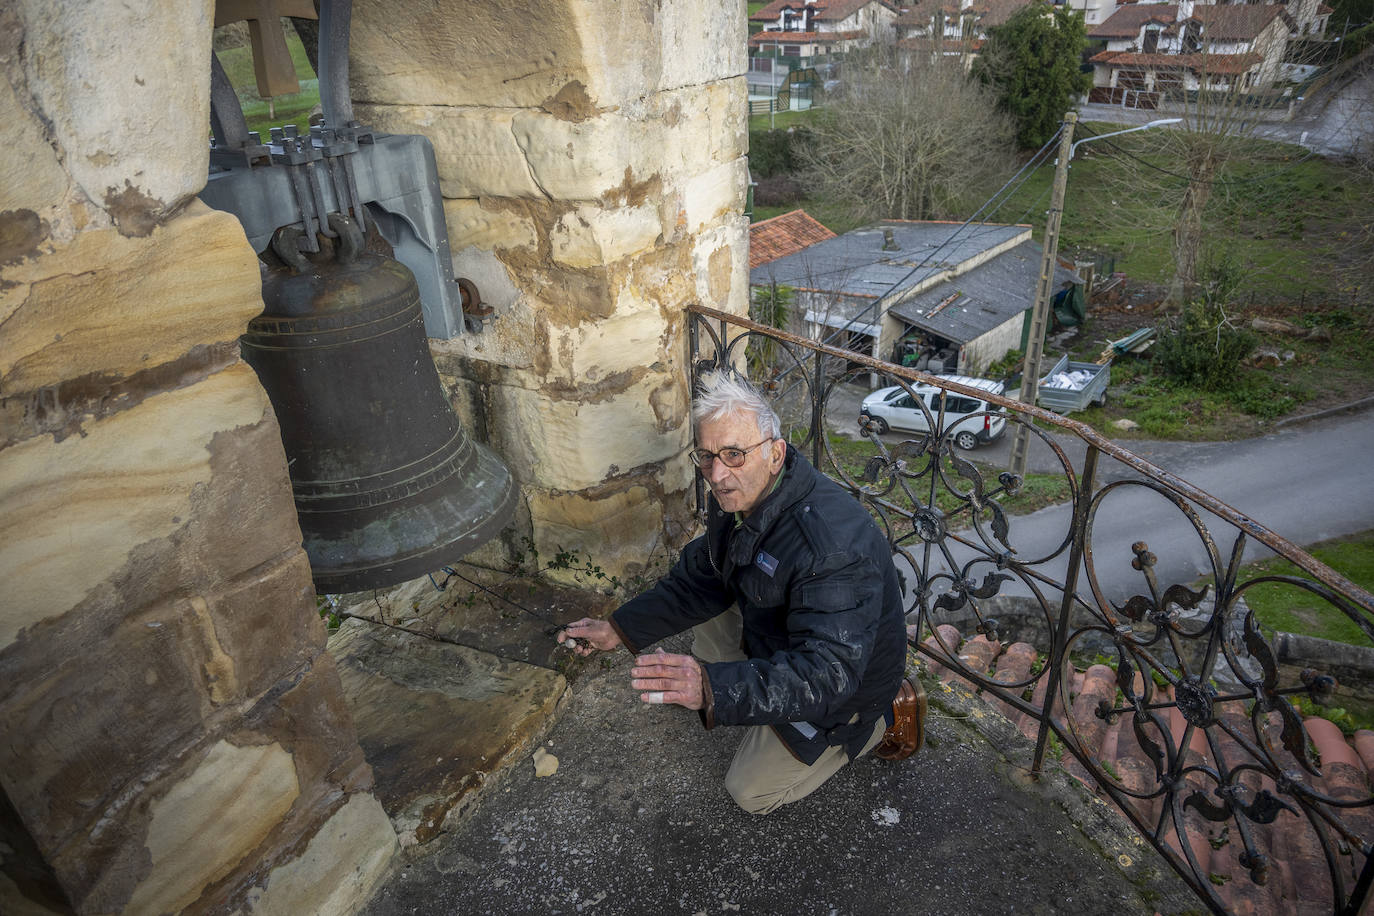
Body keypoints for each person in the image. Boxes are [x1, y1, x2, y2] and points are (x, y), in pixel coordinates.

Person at [558, 370, 924, 815]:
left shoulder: (830, 546)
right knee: (713, 593)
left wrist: (714, 690)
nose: (717, 474)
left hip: (845, 686)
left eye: (734, 454)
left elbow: (828, 673)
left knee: (750, 793)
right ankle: (734, 684)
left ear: (775, 454)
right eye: (708, 456)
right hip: (785, 639)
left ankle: (883, 719)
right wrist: (617, 628)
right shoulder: (743, 496)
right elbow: (701, 577)